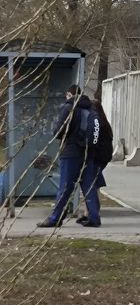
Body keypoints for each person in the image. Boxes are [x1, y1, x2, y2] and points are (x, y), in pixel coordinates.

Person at [39, 85, 94, 228]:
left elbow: (58, 131)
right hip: (87, 151)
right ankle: (94, 217)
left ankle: (55, 218)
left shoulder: (69, 108)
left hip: (70, 151)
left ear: (69, 94)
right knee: (88, 185)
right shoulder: (90, 109)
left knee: (65, 186)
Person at [75, 98, 113, 227]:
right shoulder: (105, 124)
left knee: (92, 185)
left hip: (96, 158)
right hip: (103, 158)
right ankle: (89, 212)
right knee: (94, 185)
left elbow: (93, 141)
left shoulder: (96, 124)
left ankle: (91, 213)